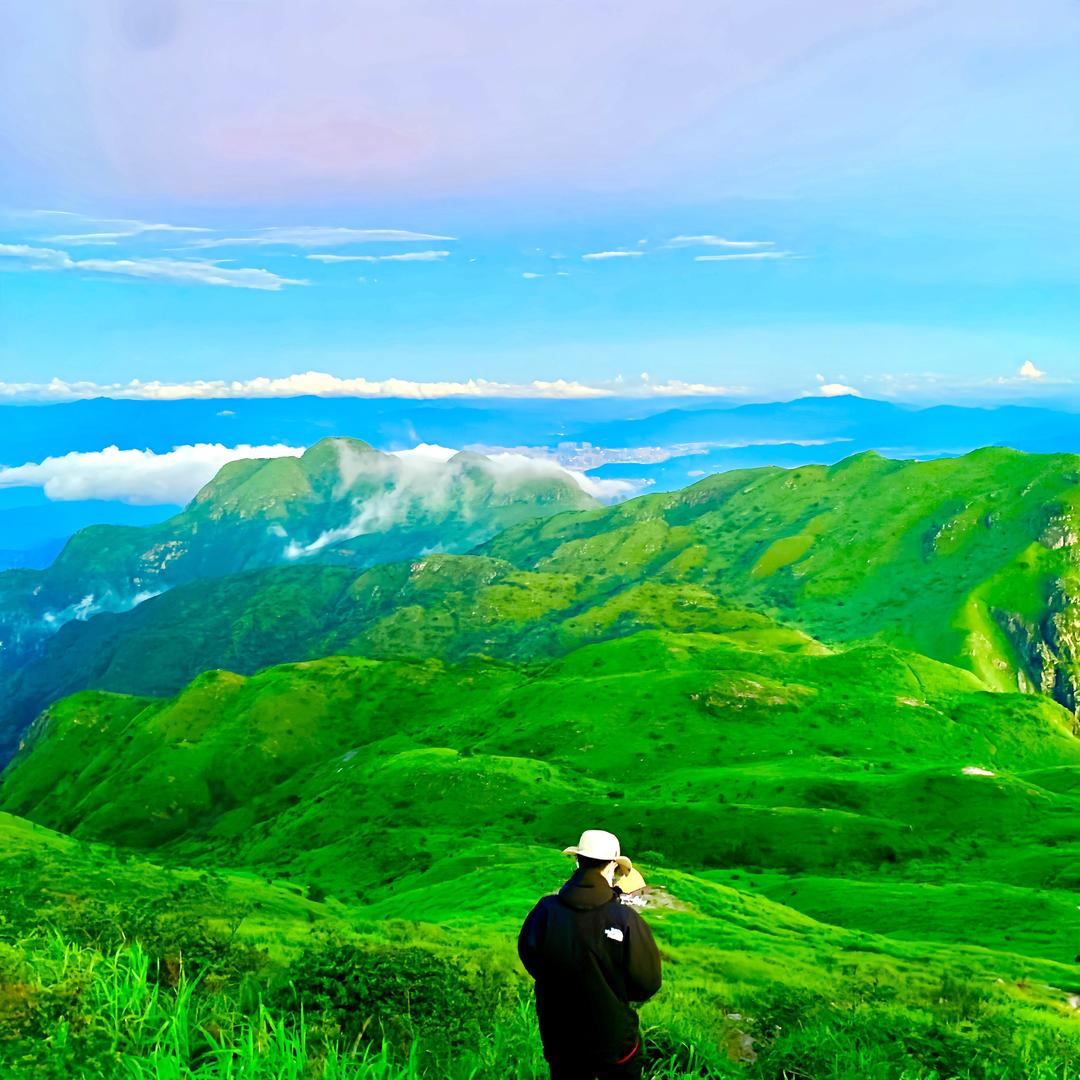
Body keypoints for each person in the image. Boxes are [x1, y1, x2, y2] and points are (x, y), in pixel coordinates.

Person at [518, 829, 662, 1079]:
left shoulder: (545, 911)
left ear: (577, 861)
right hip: (614, 1042)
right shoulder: (625, 919)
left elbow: (530, 957)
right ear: (611, 868)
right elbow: (647, 984)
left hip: (560, 1038)